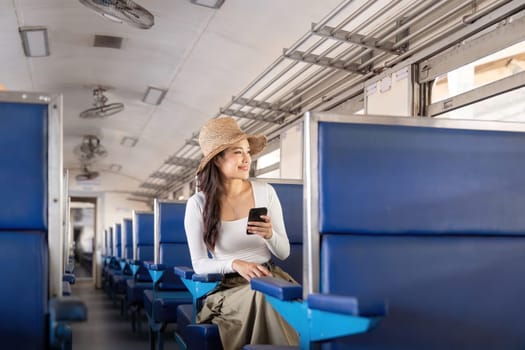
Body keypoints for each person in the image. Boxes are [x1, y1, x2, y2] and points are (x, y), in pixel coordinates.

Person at [184, 117, 299, 349]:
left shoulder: (266, 192)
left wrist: (269, 236)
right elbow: (199, 264)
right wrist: (235, 264)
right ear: (218, 159)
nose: (247, 158)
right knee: (263, 298)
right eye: (238, 152)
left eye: (247, 151)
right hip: (228, 287)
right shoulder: (198, 204)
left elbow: (284, 252)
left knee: (269, 295)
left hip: (269, 277)